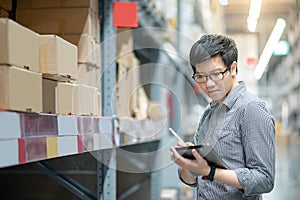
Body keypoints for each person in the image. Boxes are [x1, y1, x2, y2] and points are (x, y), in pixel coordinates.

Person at [170, 34, 275, 199]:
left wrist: (210, 171)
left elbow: (264, 179)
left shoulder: (251, 110)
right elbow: (193, 180)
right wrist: (188, 164)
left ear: (233, 68)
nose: (209, 84)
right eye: (201, 77)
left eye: (216, 74)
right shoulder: (208, 113)